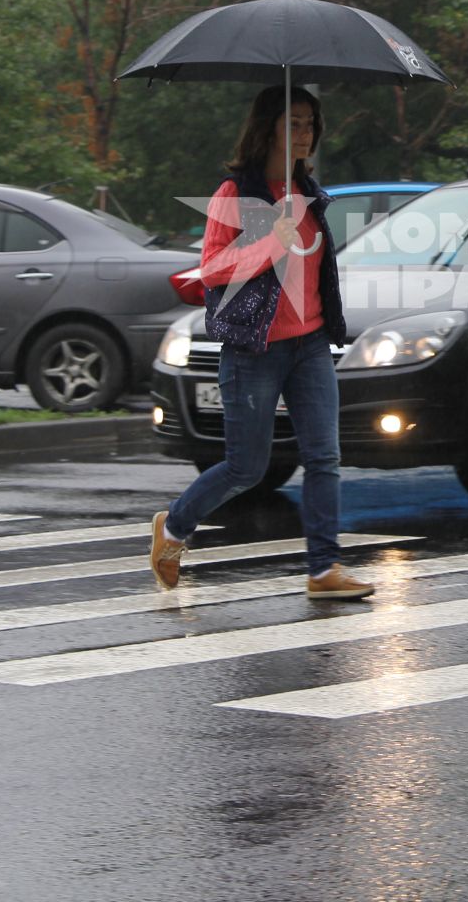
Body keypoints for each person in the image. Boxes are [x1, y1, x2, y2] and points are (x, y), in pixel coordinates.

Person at [149, 84, 374, 599]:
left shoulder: (310, 194)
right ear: (268, 127)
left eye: (311, 123)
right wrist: (273, 238)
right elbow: (213, 270)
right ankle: (175, 527)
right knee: (246, 468)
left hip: (311, 345)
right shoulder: (237, 194)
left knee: (323, 457)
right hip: (255, 349)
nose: (305, 133)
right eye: (293, 122)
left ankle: (323, 569)